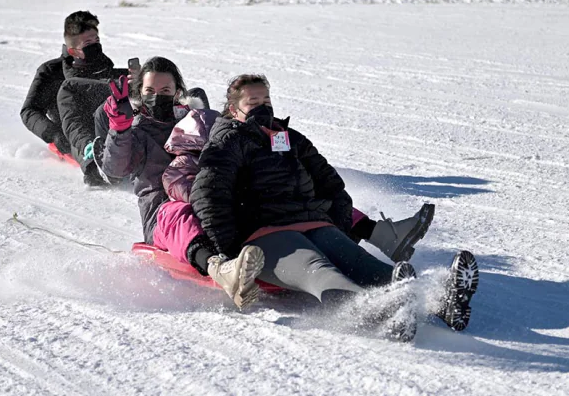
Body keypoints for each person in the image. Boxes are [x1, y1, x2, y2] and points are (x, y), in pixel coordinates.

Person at [190, 74, 476, 330]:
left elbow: (330, 183)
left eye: (266, 99)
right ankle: (373, 310)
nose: (263, 106)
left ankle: (440, 302)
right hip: (265, 233)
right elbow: (208, 193)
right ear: (233, 109)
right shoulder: (228, 141)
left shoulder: (290, 138)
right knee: (318, 270)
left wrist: (338, 226)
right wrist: (230, 249)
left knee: (360, 262)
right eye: (253, 101)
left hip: (312, 222)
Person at [100, 57, 265, 309]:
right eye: (150, 91)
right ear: (140, 94)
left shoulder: (197, 120)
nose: (158, 96)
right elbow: (115, 169)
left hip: (209, 199)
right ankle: (220, 269)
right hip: (163, 216)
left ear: (177, 91)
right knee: (180, 212)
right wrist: (120, 130)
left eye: (165, 91)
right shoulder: (138, 132)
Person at [56, 11, 124, 186]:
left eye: (97, 41)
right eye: (88, 43)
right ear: (73, 51)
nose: (95, 46)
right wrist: (87, 145)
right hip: (91, 137)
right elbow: (72, 123)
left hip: (122, 131)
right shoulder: (69, 86)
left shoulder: (110, 71)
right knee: (85, 147)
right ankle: (96, 167)